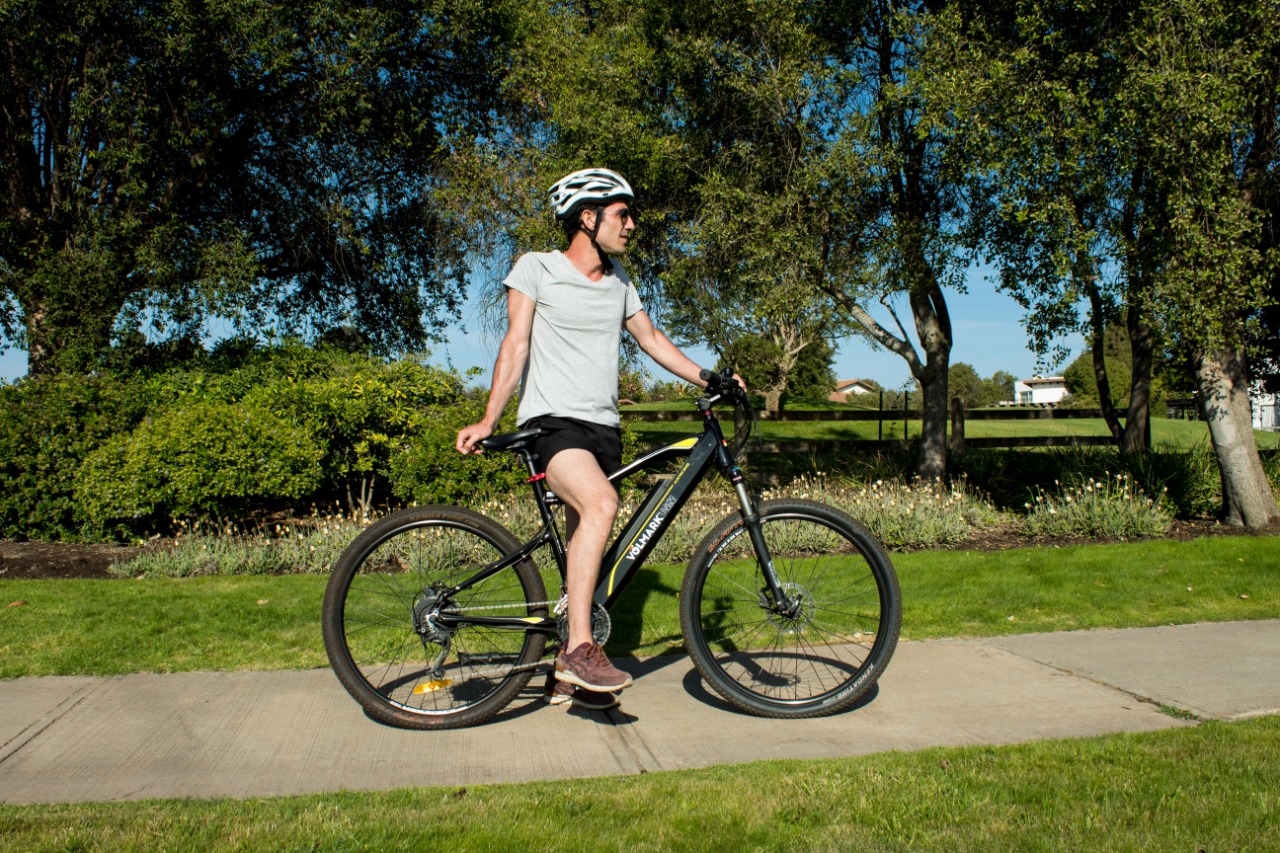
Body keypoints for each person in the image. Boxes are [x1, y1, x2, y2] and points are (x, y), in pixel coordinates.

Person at [455, 168, 712, 711]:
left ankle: (569, 677)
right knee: (602, 503)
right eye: (623, 214)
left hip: (603, 430)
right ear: (588, 217)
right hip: (553, 424)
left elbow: (651, 339)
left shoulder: (620, 281)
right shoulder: (538, 268)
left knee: (586, 554)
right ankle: (578, 649)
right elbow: (515, 345)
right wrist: (488, 418)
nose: (632, 224)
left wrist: (708, 378)